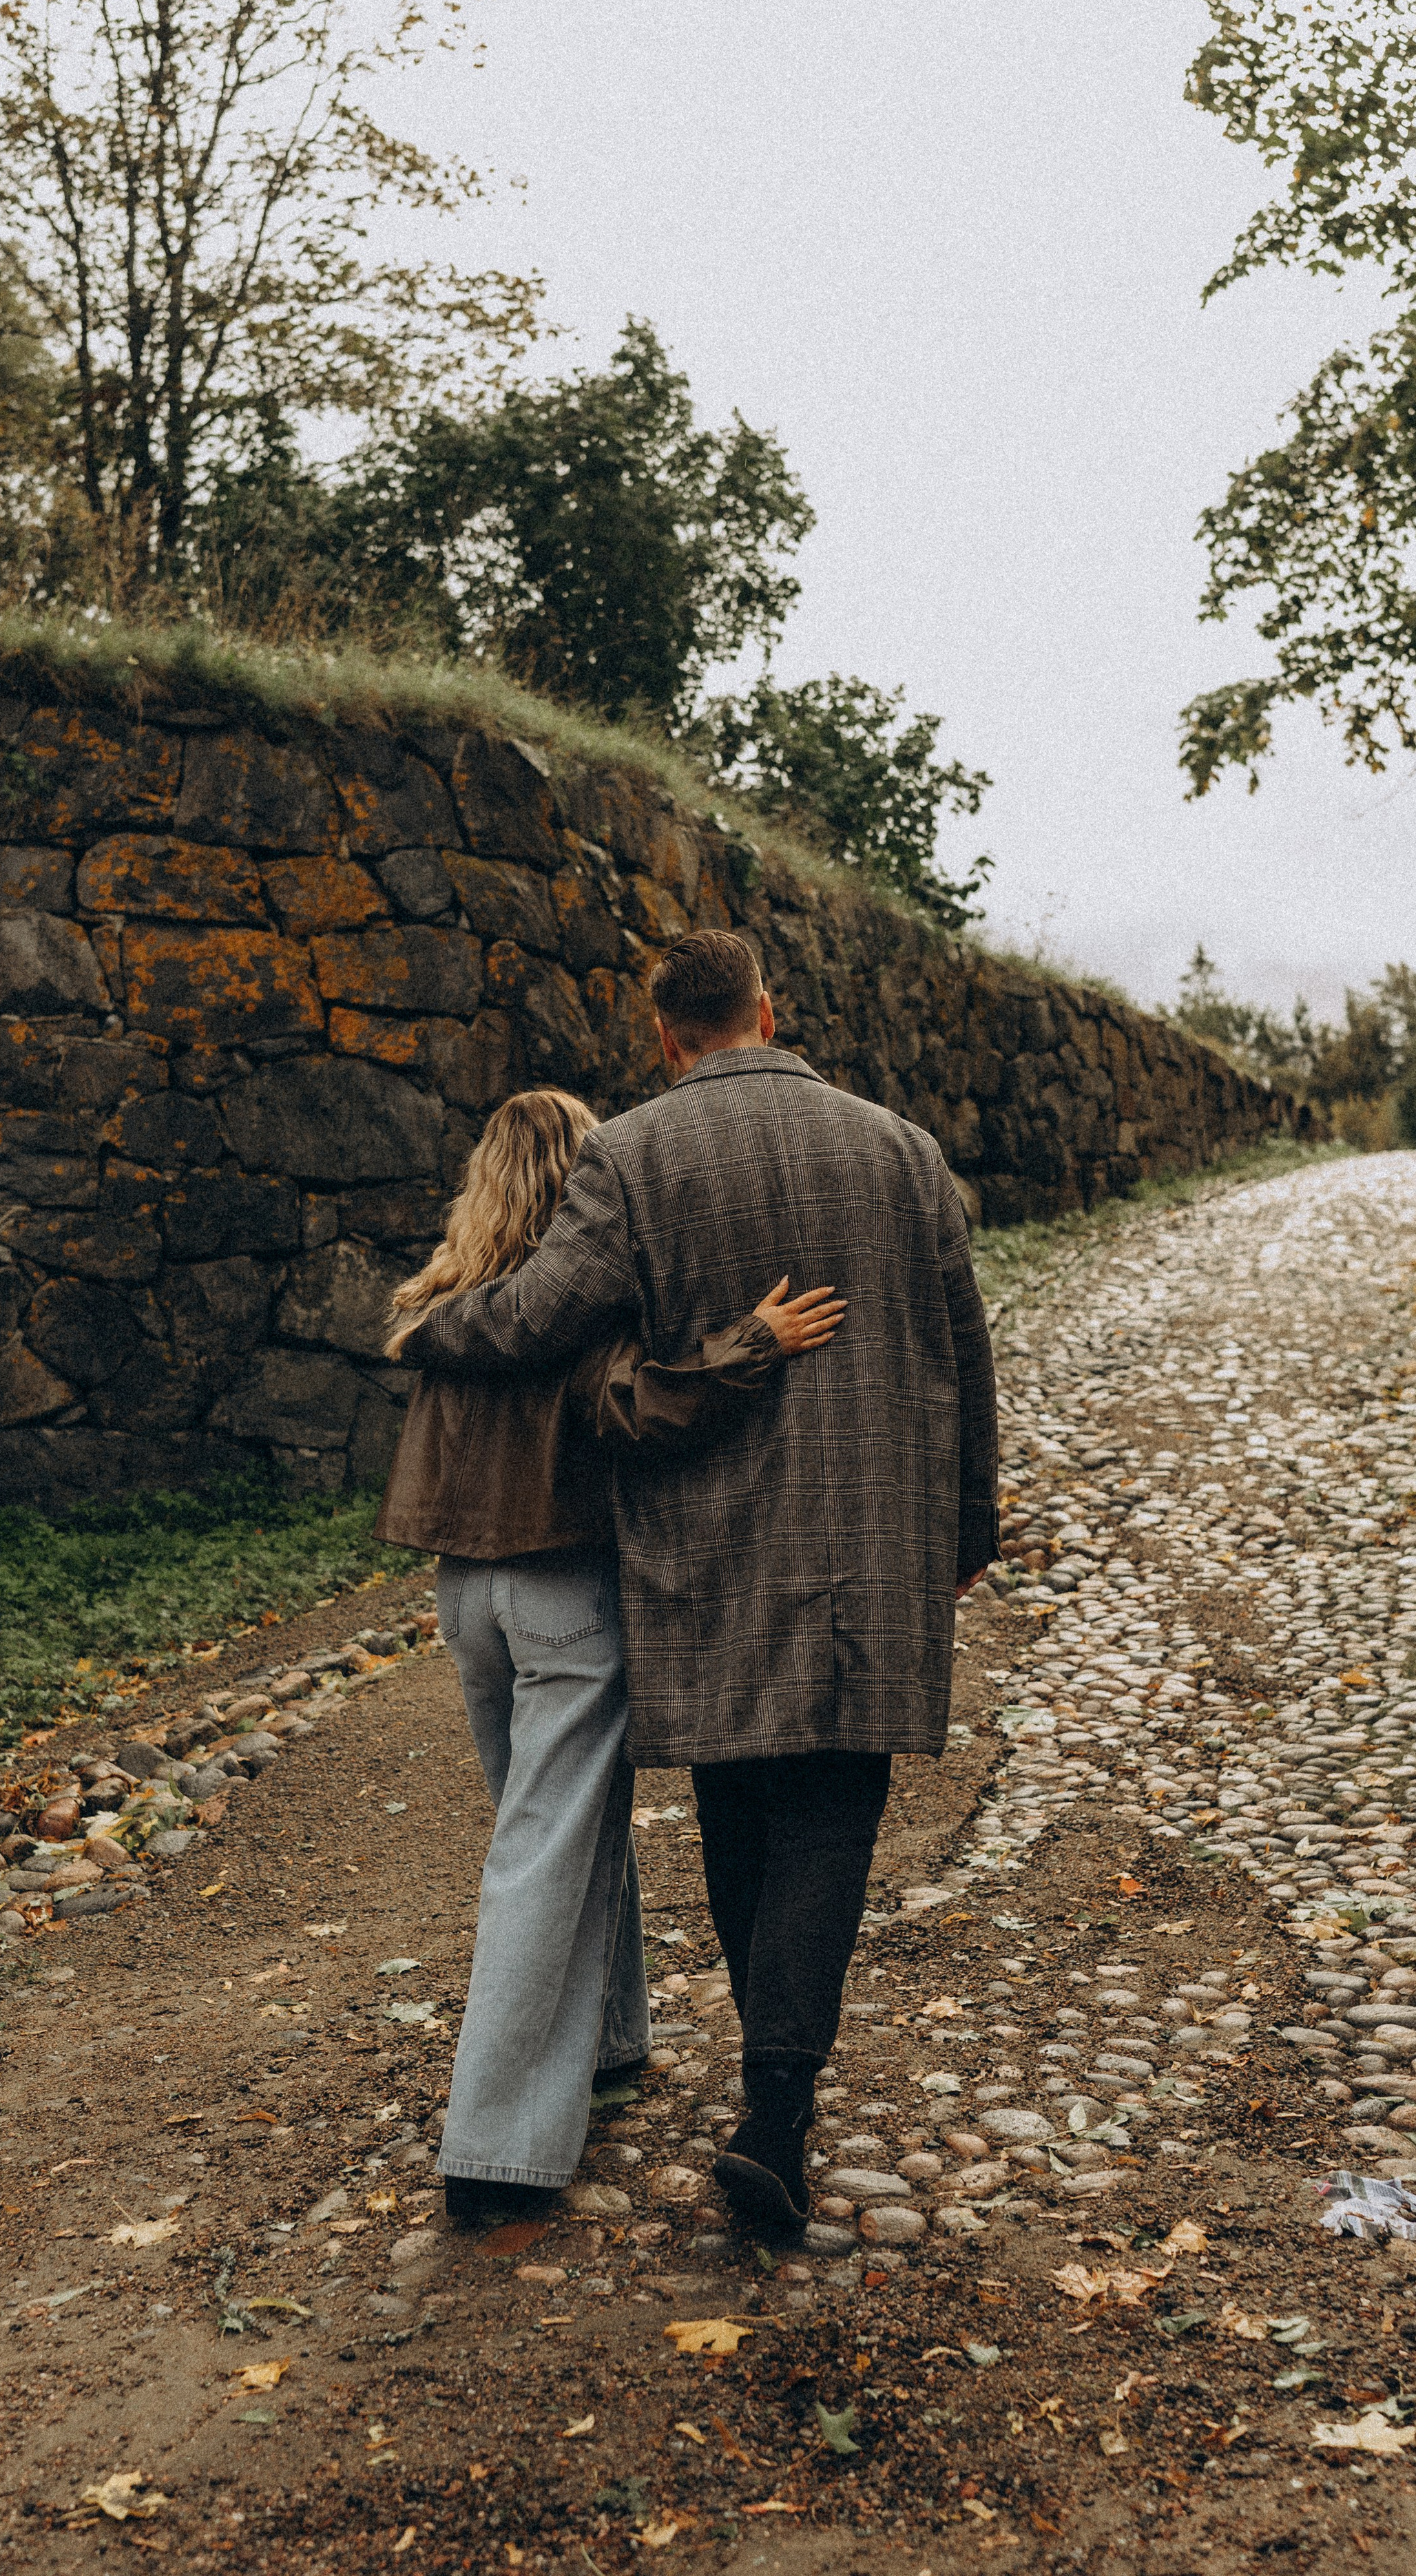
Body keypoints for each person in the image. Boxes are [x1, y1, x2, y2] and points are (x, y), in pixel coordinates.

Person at [395, 933, 999, 2233]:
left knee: (740, 1805)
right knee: (838, 1812)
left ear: (665, 1034)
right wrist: (969, 1518)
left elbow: (537, 1318)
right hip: (875, 1541)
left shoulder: (632, 1152)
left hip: (714, 1547)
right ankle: (776, 2105)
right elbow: (963, 1344)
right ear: (769, 1011)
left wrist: (428, 1323)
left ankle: (760, 2084)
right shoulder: (902, 1147)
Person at [373, 1085, 844, 2229]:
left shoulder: (448, 1298)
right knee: (547, 1848)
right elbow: (638, 1409)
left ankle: (614, 2033)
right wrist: (754, 1344)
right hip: (562, 1592)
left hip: (464, 1595)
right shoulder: (574, 1302)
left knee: (552, 1825)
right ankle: (496, 2148)